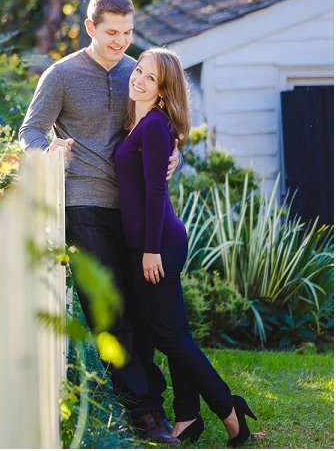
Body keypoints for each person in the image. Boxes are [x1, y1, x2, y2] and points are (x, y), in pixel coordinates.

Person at [19, 0, 178, 444]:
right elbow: (30, 129)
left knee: (143, 312)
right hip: (83, 203)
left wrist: (174, 159)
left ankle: (151, 401)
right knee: (109, 312)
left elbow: (164, 131)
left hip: (134, 208)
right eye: (111, 33)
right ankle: (144, 414)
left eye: (127, 32)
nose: (120, 42)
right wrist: (48, 149)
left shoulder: (138, 72)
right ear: (90, 27)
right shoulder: (62, 75)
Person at [115, 48, 258, 447]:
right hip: (150, 242)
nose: (138, 79)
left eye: (149, 78)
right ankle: (187, 418)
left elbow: (157, 190)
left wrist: (149, 250)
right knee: (175, 331)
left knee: (166, 334)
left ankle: (228, 409)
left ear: (162, 91)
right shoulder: (139, 122)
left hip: (158, 245)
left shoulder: (156, 126)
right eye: (138, 70)